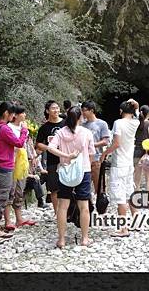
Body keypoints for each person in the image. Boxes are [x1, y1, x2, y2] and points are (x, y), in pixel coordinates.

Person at [46, 106, 95, 248]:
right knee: (84, 206)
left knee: (62, 206)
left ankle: (61, 240)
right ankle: (85, 239)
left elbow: (50, 148)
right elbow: (91, 153)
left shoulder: (61, 133)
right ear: (80, 117)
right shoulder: (86, 132)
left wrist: (66, 156)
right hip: (83, 170)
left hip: (65, 171)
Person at [0, 101, 28, 246]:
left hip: (0, 167)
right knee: (0, 201)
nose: (14, 116)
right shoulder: (4, 129)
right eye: (12, 113)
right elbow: (19, 143)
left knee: (1, 199)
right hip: (4, 168)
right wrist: (24, 131)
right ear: (6, 114)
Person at [101, 99, 140, 237]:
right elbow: (137, 113)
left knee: (120, 197)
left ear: (121, 111)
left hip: (119, 164)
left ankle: (123, 229)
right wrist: (135, 104)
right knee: (129, 193)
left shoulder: (118, 123)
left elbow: (116, 143)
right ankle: (136, 222)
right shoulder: (135, 123)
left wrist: (105, 153)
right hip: (129, 164)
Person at [2, 103, 37, 230]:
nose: (25, 115)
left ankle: (19, 218)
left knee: (19, 189)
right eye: (22, 113)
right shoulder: (8, 128)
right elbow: (18, 143)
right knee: (9, 190)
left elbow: (27, 144)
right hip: (11, 161)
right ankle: (7, 220)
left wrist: (32, 157)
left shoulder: (24, 127)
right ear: (15, 115)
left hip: (22, 162)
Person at [35, 100, 65, 214]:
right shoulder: (44, 127)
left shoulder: (65, 123)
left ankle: (68, 211)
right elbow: (38, 143)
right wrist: (48, 148)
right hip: (52, 160)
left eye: (57, 108)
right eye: (53, 108)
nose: (56, 110)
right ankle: (57, 213)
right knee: (53, 187)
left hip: (66, 159)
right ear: (47, 111)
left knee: (68, 185)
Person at [80, 101, 111, 200]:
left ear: (91, 110)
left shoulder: (102, 124)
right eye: (82, 111)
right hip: (84, 160)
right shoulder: (82, 125)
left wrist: (92, 145)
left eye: (85, 110)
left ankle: (101, 204)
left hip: (96, 159)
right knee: (84, 186)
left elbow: (106, 141)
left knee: (99, 185)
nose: (83, 113)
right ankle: (88, 206)